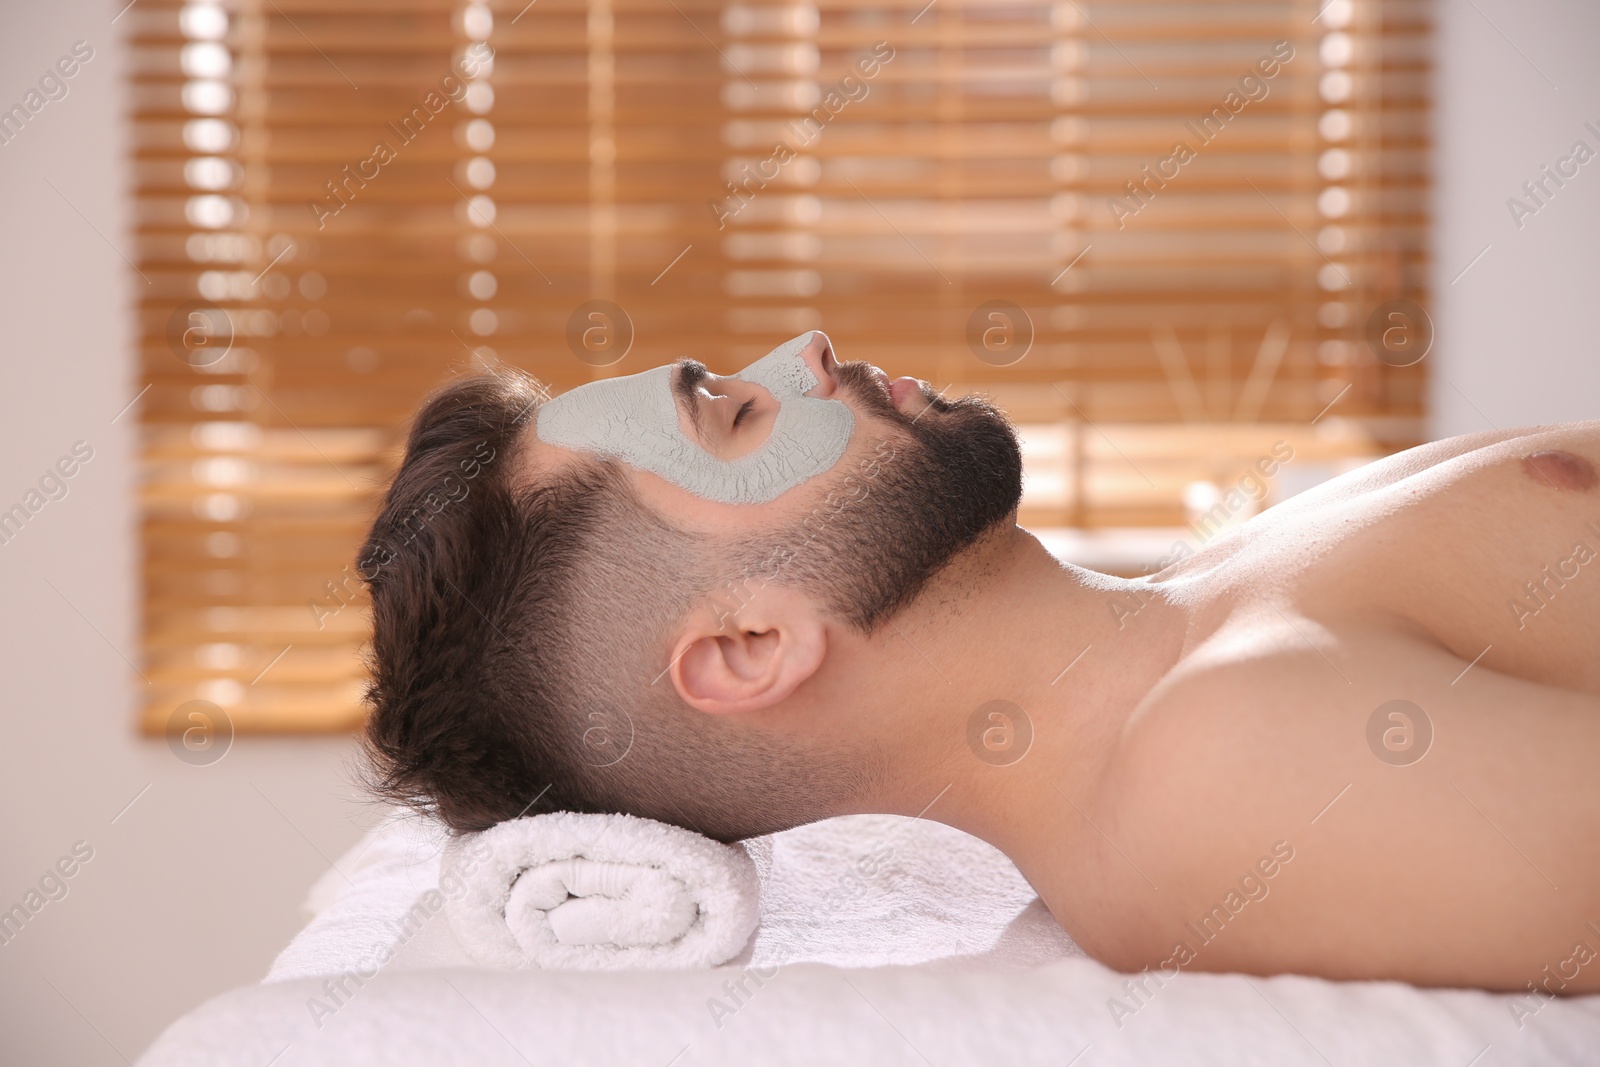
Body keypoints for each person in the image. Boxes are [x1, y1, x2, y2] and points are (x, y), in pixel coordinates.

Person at [358, 330, 1600, 994]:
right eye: (733, 410)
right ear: (750, 645)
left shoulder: (1211, 599)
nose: (809, 349)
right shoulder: (1211, 775)